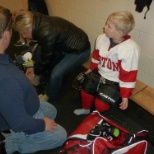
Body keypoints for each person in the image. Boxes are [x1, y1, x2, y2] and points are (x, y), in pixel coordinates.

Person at [0, 6, 67, 154]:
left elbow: (22, 61)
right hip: (15, 123)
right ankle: (14, 143)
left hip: (20, 100)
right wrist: (41, 125)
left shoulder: (5, 61)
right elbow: (19, 122)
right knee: (61, 136)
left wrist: (24, 81)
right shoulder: (5, 80)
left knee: (52, 111)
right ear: (6, 34)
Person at [14, 10, 90, 101]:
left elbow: (46, 59)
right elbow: (43, 52)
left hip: (80, 51)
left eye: (24, 33)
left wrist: (36, 72)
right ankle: (37, 77)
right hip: (66, 45)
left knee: (56, 73)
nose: (24, 36)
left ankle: (49, 94)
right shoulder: (38, 21)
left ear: (30, 28)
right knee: (38, 52)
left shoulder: (46, 32)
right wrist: (32, 66)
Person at [74, 11, 140, 115]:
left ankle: (97, 114)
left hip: (115, 80)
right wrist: (92, 68)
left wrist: (125, 95)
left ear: (119, 33)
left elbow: (128, 74)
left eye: (109, 26)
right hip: (100, 72)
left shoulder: (130, 49)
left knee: (101, 105)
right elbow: (96, 55)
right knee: (85, 91)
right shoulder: (101, 38)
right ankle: (86, 109)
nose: (104, 27)